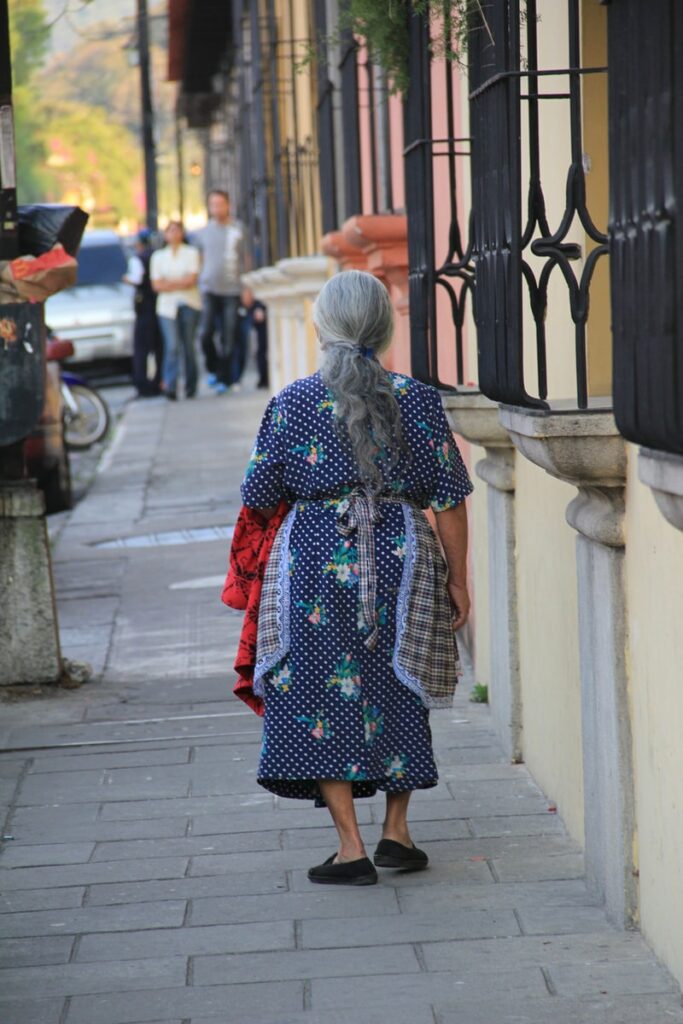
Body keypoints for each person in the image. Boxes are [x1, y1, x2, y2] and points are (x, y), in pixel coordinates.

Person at [239, 269, 473, 886]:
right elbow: (448, 498)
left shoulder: (291, 402)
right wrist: (458, 579)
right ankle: (398, 830)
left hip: (314, 558)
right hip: (403, 551)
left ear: (323, 327)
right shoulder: (417, 398)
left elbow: (259, 492)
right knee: (402, 681)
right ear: (383, 326)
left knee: (317, 691)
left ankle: (351, 848)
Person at [194, 189, 244, 395]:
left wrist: (247, 287)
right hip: (209, 289)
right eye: (213, 204)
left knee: (229, 337)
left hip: (232, 290)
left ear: (228, 205)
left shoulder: (238, 229)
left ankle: (225, 378)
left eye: (220, 204)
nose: (216, 208)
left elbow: (246, 258)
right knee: (205, 334)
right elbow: (199, 260)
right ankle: (213, 369)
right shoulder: (202, 233)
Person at [150, 221, 201, 401]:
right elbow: (156, 284)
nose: (173, 234)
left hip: (189, 303)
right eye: (170, 231)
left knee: (188, 345)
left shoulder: (191, 253)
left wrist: (169, 283)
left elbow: (192, 280)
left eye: (176, 230)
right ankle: (170, 385)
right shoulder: (158, 257)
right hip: (166, 307)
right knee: (172, 346)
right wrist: (180, 283)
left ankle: (190, 385)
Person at [123, 229, 163, 398]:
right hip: (157, 306)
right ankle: (156, 381)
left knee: (142, 348)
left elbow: (137, 279)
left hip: (144, 306)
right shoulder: (158, 256)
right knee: (158, 347)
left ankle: (142, 383)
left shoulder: (138, 259)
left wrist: (126, 278)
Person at [231, 285, 268, 392]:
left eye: (248, 295)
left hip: (258, 339)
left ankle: (263, 380)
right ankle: (236, 379)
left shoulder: (258, 305)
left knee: (260, 355)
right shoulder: (238, 307)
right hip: (242, 339)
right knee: (239, 355)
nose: (246, 298)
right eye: (244, 296)